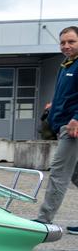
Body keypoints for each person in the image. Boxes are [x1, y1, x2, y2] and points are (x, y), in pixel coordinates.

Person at [35, 26, 78, 234]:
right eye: (63, 42)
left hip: (74, 129)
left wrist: (77, 118)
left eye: (71, 42)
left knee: (58, 173)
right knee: (76, 176)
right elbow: (69, 94)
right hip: (63, 125)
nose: (66, 46)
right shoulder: (66, 65)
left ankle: (43, 220)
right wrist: (55, 105)